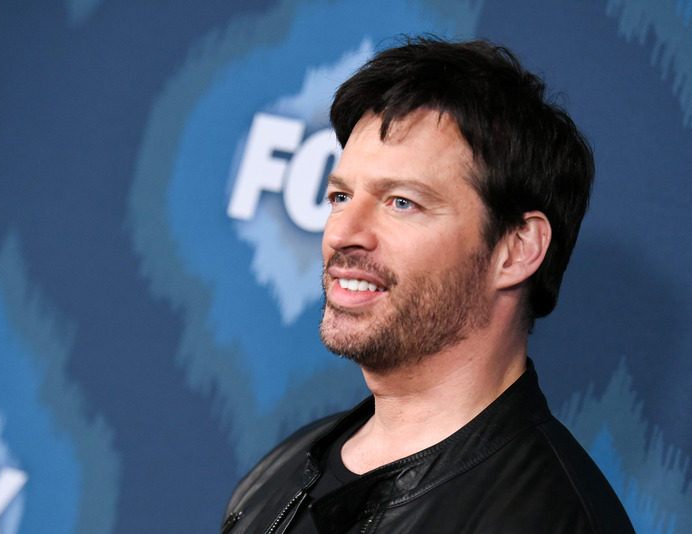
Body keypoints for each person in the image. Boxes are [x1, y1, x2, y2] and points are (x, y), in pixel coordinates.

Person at [221, 36, 635, 533]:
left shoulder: (548, 520)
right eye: (340, 196)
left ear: (517, 249)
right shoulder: (278, 475)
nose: (344, 233)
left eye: (401, 202)